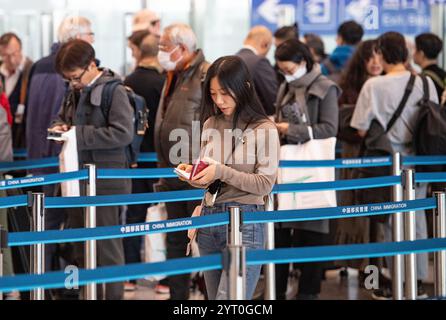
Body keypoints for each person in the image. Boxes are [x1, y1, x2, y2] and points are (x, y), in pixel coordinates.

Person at [176, 55, 280, 300]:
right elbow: (209, 172)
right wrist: (195, 176)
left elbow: (265, 184)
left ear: (243, 87)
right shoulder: (211, 122)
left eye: (224, 93)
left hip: (245, 221)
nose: (219, 100)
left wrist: (220, 171)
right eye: (212, 94)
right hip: (210, 217)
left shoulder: (264, 129)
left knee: (230, 300)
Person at [351, 31, 438, 300]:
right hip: (420, 162)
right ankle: (419, 280)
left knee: (389, 220)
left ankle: (396, 280)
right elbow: (433, 119)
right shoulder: (425, 82)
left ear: (381, 52)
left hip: (386, 164)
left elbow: (361, 129)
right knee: (418, 218)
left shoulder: (373, 86)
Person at [49, 39, 133, 300]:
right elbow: (63, 117)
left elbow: (123, 133)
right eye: (68, 79)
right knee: (79, 247)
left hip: (106, 182)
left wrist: (79, 134)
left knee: (107, 249)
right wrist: (60, 128)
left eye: (75, 77)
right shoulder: (74, 91)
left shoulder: (114, 91)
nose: (73, 83)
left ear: (91, 65)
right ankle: (84, 295)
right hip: (75, 180)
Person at [25, 16, 96, 280]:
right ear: (76, 38)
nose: (92, 39)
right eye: (90, 34)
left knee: (44, 227)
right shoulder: (64, 72)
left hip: (38, 159)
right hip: (62, 162)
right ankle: (66, 284)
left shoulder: (37, 66)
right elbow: (66, 118)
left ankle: (39, 284)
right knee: (71, 226)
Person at [274, 39, 340, 300]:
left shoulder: (325, 88)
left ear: (303, 62)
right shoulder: (285, 88)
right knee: (279, 233)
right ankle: (275, 290)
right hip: (285, 167)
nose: (287, 75)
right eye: (283, 71)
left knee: (312, 232)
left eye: (290, 69)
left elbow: (329, 130)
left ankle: (308, 292)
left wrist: (290, 130)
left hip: (312, 168)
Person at [154, 23, 210, 300]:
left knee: (206, 238)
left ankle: (218, 297)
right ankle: (178, 298)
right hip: (171, 172)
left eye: (164, 46)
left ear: (183, 48)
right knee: (175, 238)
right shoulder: (171, 74)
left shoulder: (206, 74)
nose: (160, 52)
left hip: (197, 175)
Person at [335, 39, 384, 281]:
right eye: (370, 57)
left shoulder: (386, 87)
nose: (375, 62)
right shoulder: (348, 89)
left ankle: (373, 273)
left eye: (379, 56)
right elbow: (336, 127)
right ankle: (360, 270)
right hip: (354, 159)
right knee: (356, 216)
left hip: (380, 160)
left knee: (378, 219)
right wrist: (357, 131)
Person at [123, 33, 165, 292]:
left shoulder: (128, 82)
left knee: (134, 215)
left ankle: (129, 273)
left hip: (136, 159)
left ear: (138, 51)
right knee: (164, 214)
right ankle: (165, 278)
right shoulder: (165, 82)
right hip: (162, 159)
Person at [0, 32, 33, 149]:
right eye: (5, 55)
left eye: (14, 54)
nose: (11, 59)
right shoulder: (1, 72)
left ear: (20, 49)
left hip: (23, 135)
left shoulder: (32, 70)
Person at [236, 26, 278, 116]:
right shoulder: (260, 62)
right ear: (264, 44)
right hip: (256, 123)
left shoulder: (231, 59)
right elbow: (272, 99)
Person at [413, 32, 446, 102]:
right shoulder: (443, 74)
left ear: (421, 54)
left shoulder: (423, 80)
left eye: (415, 49)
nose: (413, 53)